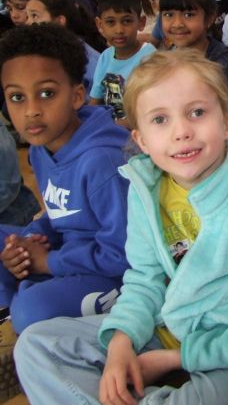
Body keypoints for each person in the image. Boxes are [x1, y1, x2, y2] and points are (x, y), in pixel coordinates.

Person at [15, 49, 228, 405]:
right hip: (166, 327)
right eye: (159, 119)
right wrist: (122, 339)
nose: (181, 132)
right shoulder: (145, 187)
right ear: (141, 140)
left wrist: (176, 358)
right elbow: (144, 279)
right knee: (36, 346)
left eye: (197, 112)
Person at [0, 24, 130, 333]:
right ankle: (10, 304)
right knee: (8, 244)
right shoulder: (40, 148)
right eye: (17, 97)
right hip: (70, 256)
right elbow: (63, 214)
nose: (31, 111)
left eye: (47, 93)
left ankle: (22, 304)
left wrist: (48, 262)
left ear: (77, 95)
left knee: (31, 312)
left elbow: (124, 255)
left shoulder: (103, 161)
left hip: (116, 275)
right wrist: (28, 242)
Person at [159, 0, 228, 113]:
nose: (177, 24)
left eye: (188, 15)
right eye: (169, 15)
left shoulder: (224, 67)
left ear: (210, 18)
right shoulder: (166, 58)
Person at [89, 0, 155, 120]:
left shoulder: (150, 58)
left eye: (127, 21)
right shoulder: (105, 56)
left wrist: (113, 126)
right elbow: (95, 101)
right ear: (100, 25)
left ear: (141, 23)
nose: (119, 30)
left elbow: (153, 110)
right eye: (110, 22)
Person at [25, 0, 105, 97]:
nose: (28, 22)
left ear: (59, 20)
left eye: (35, 16)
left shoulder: (89, 58)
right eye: (27, 17)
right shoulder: (36, 51)